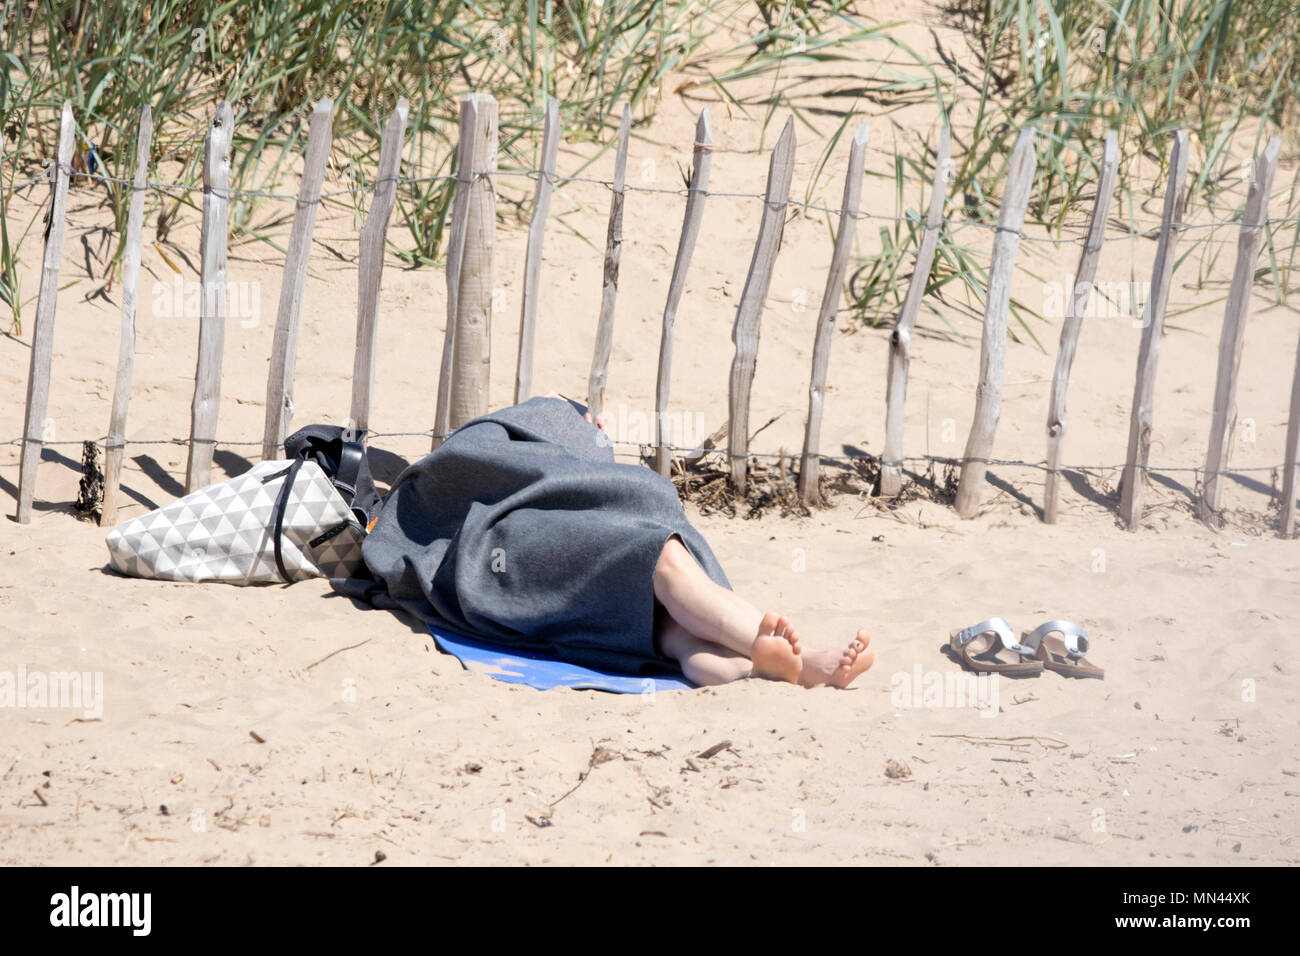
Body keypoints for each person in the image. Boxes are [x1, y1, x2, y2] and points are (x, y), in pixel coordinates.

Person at [335, 395, 873, 688]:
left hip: (513, 563)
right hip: (498, 539)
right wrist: (576, 425)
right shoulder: (518, 430)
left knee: (665, 618)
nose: (599, 433)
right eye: (591, 424)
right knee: (658, 553)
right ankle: (761, 642)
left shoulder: (533, 452)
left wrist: (584, 441)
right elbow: (479, 465)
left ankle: (739, 663)